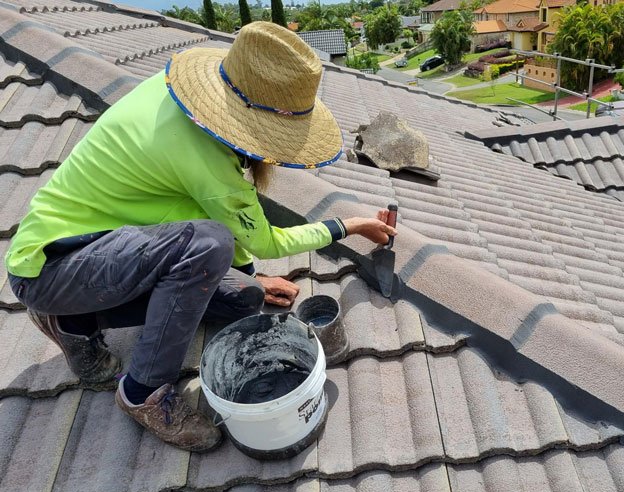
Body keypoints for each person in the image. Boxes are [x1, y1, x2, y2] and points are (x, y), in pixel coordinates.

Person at [4, 22, 396, 452]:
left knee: (243, 298)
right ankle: (142, 394)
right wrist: (349, 225)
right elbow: (257, 239)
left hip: (108, 254)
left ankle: (73, 321)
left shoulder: (187, 103)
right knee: (208, 245)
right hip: (51, 266)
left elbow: (220, 216)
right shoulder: (203, 153)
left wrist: (251, 278)